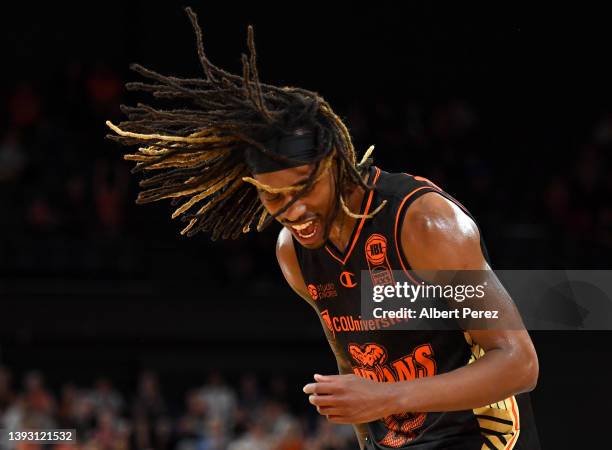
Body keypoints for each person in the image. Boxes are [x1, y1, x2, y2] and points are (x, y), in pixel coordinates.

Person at [107, 8, 540, 449]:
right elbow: (351, 367)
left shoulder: (423, 224)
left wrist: (387, 396)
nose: (292, 210)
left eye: (304, 188)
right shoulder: (293, 253)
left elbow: (519, 363)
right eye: (273, 197)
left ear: (334, 165)